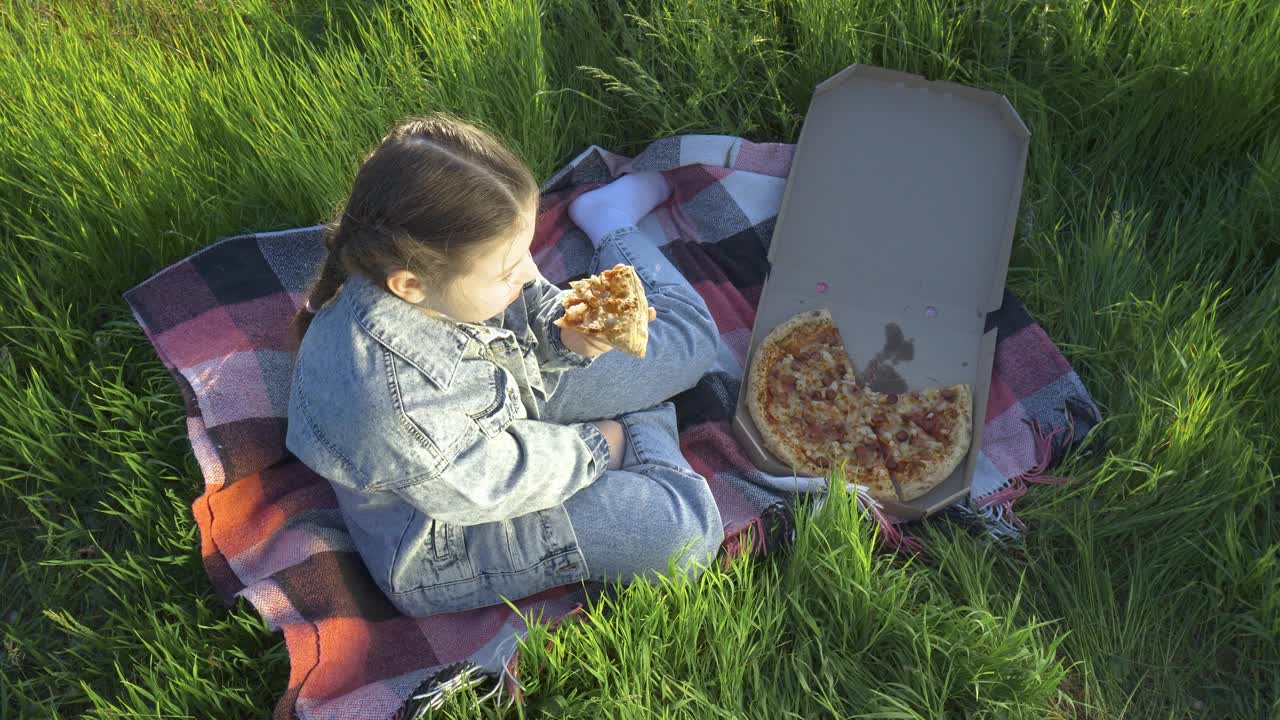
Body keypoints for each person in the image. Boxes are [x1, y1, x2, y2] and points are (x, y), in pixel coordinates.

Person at [285, 113, 724, 617]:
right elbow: (491, 483)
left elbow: (527, 308)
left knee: (692, 343)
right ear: (409, 285)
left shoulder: (433, 268)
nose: (527, 274)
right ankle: (643, 420)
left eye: (526, 253)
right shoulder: (393, 406)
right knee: (684, 533)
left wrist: (565, 340)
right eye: (506, 270)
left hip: (505, 397)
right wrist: (598, 443)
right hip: (450, 535)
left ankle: (612, 233)